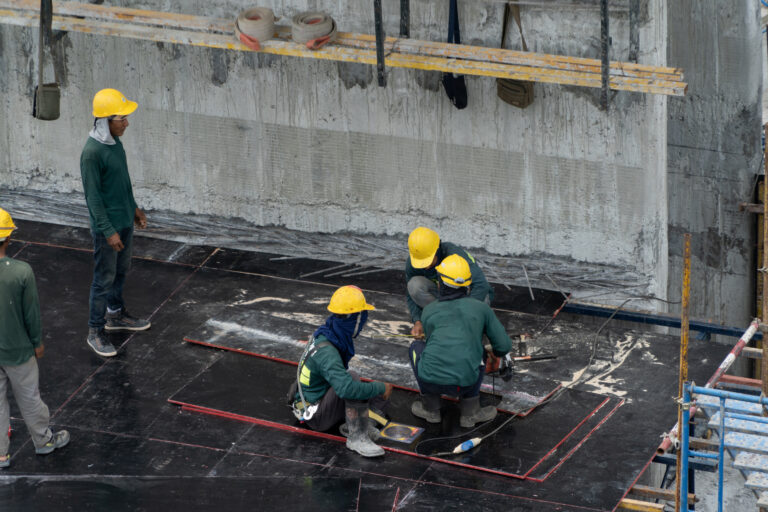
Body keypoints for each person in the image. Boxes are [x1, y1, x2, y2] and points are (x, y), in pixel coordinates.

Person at [80, 88, 150, 358]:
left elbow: (122, 182)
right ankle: (95, 331)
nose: (127, 123)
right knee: (102, 279)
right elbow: (93, 198)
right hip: (107, 229)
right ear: (106, 121)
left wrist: (134, 209)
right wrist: (108, 231)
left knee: (121, 271)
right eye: (122, 118)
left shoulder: (114, 144)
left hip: (124, 222)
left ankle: (116, 315)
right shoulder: (92, 153)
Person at [0, 208, 70, 468]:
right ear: (8, 238)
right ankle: (43, 441)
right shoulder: (21, 272)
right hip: (18, 351)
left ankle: (0, 454)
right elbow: (31, 314)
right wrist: (37, 343)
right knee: (29, 398)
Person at [408, 254, 511, 428]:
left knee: (416, 346)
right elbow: (503, 346)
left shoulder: (429, 310)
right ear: (468, 285)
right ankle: (470, 413)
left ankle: (431, 410)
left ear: (440, 283)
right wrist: (491, 352)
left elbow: (434, 342)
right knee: (478, 350)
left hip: (430, 380)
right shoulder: (482, 309)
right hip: (464, 383)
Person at [292, 285, 393, 457]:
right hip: (316, 416)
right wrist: (380, 388)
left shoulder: (329, 333)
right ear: (353, 319)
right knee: (353, 380)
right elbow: (345, 389)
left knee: (364, 388)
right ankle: (357, 437)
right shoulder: (328, 351)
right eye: (361, 317)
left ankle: (361, 423)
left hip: (318, 399)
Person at [406, 227, 493, 338]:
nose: (426, 266)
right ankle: (444, 316)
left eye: (428, 260)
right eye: (422, 262)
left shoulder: (456, 256)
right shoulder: (416, 259)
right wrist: (417, 320)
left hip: (465, 296)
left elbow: (481, 285)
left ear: (437, 250)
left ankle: (463, 322)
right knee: (414, 285)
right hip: (443, 297)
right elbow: (410, 294)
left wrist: (465, 313)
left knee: (484, 299)